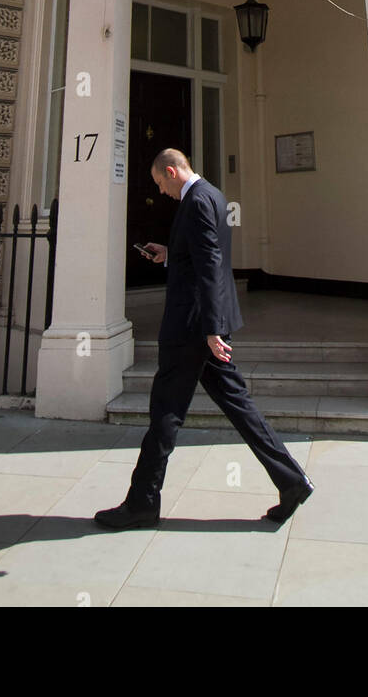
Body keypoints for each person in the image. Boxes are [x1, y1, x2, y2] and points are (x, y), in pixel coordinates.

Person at [94, 148, 314, 529]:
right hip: (204, 325)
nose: (162, 192)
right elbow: (199, 255)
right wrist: (168, 255)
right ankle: (292, 481)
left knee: (165, 411)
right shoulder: (212, 194)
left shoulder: (194, 201)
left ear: (171, 170)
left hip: (191, 327)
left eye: (161, 184)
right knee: (238, 405)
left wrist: (212, 329)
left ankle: (142, 502)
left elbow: (211, 263)